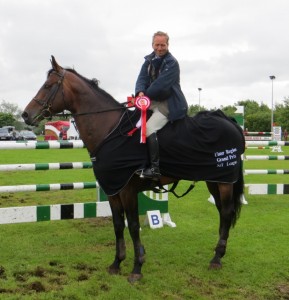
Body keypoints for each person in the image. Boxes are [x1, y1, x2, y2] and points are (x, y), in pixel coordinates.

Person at [135, 31, 188, 180]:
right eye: (157, 45)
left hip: (169, 104)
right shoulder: (148, 61)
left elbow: (160, 86)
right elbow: (141, 79)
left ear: (167, 45)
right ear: (152, 45)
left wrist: (144, 96)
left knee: (149, 129)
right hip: (152, 100)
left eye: (162, 45)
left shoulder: (172, 62)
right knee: (134, 121)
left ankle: (155, 168)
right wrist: (139, 93)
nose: (159, 48)